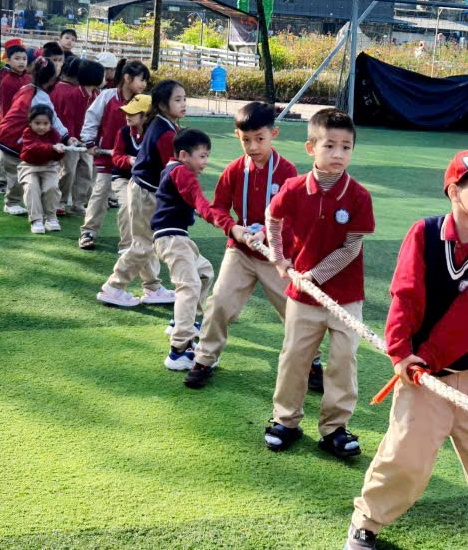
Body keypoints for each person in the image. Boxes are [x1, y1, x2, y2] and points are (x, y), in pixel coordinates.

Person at [344, 150, 468, 550]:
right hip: (419, 376)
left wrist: (427, 359)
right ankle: (367, 522)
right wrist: (401, 352)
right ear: (454, 192)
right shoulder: (424, 232)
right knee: (405, 456)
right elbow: (405, 294)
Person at [263, 108, 375, 459]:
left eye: (346, 147)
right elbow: (273, 218)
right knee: (295, 357)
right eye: (330, 145)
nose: (338, 153)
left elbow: (352, 247)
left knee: (343, 361)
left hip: (345, 297)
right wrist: (278, 257)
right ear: (311, 147)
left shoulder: (358, 195)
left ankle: (334, 428)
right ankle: (285, 420)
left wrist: (315, 275)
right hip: (303, 297)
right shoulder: (295, 188)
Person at [185, 101, 301, 389]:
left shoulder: (287, 171)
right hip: (241, 252)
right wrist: (232, 228)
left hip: (276, 255)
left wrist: (268, 235)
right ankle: (204, 358)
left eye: (259, 139)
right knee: (219, 303)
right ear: (238, 136)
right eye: (245, 139)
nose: (252, 146)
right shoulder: (235, 170)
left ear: (274, 134)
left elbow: (294, 215)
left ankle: (310, 362)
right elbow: (218, 208)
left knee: (296, 312)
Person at [151, 128, 254, 372]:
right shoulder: (182, 172)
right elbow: (197, 198)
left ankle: (183, 322)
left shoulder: (172, 169)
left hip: (177, 237)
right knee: (189, 285)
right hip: (172, 238)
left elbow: (187, 199)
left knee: (204, 272)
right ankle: (179, 349)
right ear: (184, 155)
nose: (206, 162)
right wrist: (223, 222)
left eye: (207, 156)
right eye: (202, 156)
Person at [96, 79, 188, 308]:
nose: (184, 104)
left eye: (184, 99)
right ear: (163, 105)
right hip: (146, 192)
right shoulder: (165, 132)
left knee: (146, 241)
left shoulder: (161, 124)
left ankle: (152, 287)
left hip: (142, 189)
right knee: (144, 243)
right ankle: (114, 286)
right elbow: (171, 170)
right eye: (178, 100)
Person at [78, 59, 150, 251]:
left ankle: (131, 241)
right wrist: (89, 142)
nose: (144, 84)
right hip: (107, 155)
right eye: (141, 79)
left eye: (146, 81)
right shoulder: (107, 96)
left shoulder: (142, 102)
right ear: (127, 78)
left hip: (131, 161)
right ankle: (88, 232)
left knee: (131, 201)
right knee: (100, 193)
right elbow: (92, 118)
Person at [0, 57, 76, 216]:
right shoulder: (40, 97)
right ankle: (11, 203)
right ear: (51, 79)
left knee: (17, 173)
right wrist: (66, 137)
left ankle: (16, 201)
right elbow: (52, 118)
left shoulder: (26, 88)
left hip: (7, 134)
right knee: (18, 174)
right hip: (14, 139)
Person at [55, 59, 105, 217]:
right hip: (73, 141)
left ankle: (78, 203)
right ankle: (60, 201)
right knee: (68, 171)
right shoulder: (75, 93)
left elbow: (99, 118)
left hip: (88, 141)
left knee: (86, 171)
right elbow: (68, 117)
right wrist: (70, 136)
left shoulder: (97, 95)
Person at [109, 93, 150, 256]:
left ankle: (146, 244)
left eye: (132, 113)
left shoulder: (154, 133)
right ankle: (126, 246)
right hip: (123, 177)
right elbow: (116, 157)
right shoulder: (124, 132)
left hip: (145, 180)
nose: (127, 116)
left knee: (147, 212)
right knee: (127, 206)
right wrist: (129, 160)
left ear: (146, 116)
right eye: (127, 112)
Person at [17, 104, 67, 234]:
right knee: (31, 187)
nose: (41, 127)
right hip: (28, 166)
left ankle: (51, 217)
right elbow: (33, 147)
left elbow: (56, 157)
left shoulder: (54, 134)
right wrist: (52, 147)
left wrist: (60, 151)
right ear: (30, 123)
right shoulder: (27, 132)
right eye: (37, 123)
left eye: (45, 123)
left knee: (52, 188)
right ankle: (36, 219)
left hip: (49, 166)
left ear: (50, 124)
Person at [0, 43, 31, 194]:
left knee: (18, 152)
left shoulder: (28, 78)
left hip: (25, 122)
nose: (21, 62)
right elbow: (6, 105)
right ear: (8, 61)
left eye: (24, 59)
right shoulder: (7, 81)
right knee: (4, 151)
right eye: (17, 58)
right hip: (9, 122)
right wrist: (8, 122)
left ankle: (16, 181)